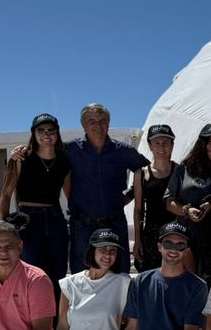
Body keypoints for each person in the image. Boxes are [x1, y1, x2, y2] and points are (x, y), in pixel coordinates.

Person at [13, 103, 148, 275]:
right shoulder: (69, 150)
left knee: (119, 276)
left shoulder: (124, 151)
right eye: (92, 121)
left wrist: (129, 195)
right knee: (81, 277)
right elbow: (44, 151)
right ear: (83, 124)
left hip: (114, 224)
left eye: (102, 120)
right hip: (82, 226)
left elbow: (144, 172)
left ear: (109, 123)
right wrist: (20, 150)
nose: (98, 125)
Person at [0, 113, 71, 301]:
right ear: (34, 133)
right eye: (41, 130)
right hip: (28, 219)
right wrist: (3, 227)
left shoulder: (64, 161)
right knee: (32, 273)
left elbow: (70, 195)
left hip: (55, 218)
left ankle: (55, 318)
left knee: (58, 273)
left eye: (51, 130)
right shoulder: (21, 158)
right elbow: (6, 194)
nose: (46, 134)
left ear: (57, 134)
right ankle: (33, 316)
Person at [165, 123, 211, 278]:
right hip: (188, 234)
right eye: (210, 142)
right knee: (189, 281)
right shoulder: (183, 169)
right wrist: (187, 211)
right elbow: (169, 202)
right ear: (201, 143)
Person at [132, 124, 178, 273]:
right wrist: (137, 240)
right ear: (150, 146)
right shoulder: (141, 173)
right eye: (157, 143)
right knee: (149, 275)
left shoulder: (179, 171)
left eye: (166, 143)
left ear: (172, 145)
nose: (161, 148)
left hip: (175, 232)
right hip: (150, 234)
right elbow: (138, 209)